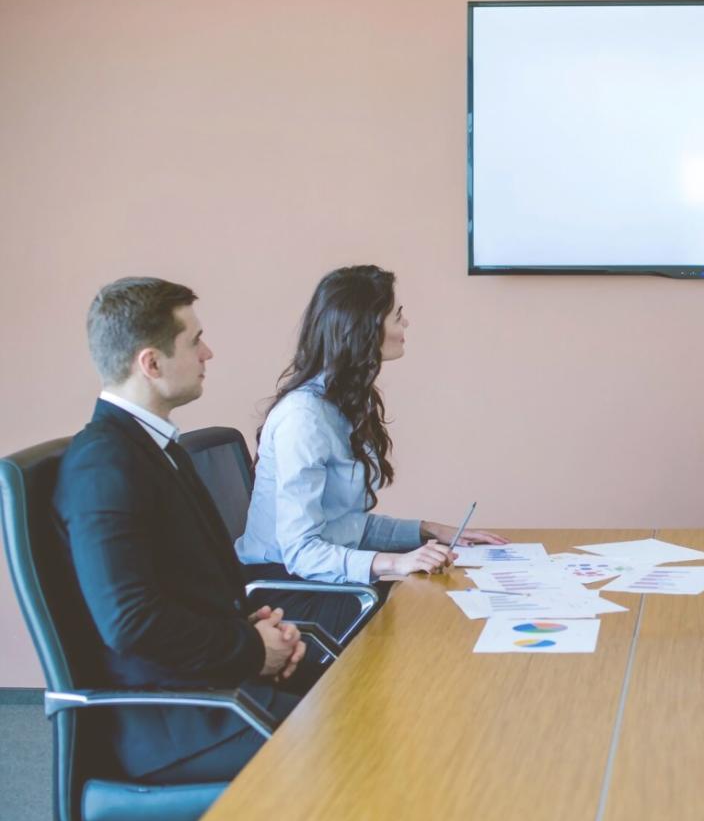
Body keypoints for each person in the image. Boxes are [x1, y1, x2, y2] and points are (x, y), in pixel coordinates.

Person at [53, 277, 308, 783]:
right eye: (194, 341)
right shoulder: (103, 464)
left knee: (357, 702)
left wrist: (253, 633)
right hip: (168, 721)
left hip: (203, 690)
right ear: (151, 363)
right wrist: (252, 650)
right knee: (351, 747)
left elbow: (178, 584)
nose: (207, 352)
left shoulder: (153, 447)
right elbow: (131, 622)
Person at [236, 265, 502, 637]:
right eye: (397, 314)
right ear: (365, 327)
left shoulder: (341, 403)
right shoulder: (304, 419)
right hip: (291, 593)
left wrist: (427, 531)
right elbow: (302, 552)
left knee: (447, 594)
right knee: (434, 616)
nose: (406, 323)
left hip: (326, 580)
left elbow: (346, 524)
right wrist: (396, 562)